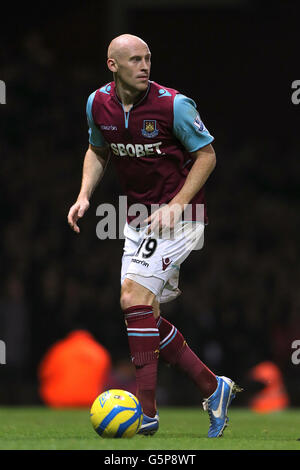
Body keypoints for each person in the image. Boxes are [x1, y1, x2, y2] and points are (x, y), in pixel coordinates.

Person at [67, 34, 242, 437]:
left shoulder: (173, 105)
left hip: (181, 215)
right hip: (138, 218)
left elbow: (207, 155)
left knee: (133, 299)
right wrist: (83, 195)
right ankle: (213, 387)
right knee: (145, 315)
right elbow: (98, 150)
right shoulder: (97, 103)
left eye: (147, 58)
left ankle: (146, 413)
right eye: (134, 60)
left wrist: (178, 204)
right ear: (112, 65)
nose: (144, 66)